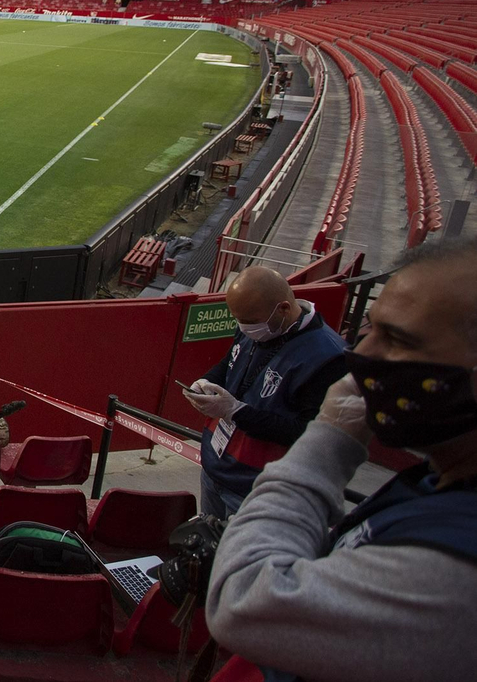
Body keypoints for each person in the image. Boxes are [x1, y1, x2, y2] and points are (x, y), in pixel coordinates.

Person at [204, 238, 477, 682]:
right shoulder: (440, 482)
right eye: (371, 328)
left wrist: (329, 438)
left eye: (398, 339)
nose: (361, 355)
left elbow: (245, 601)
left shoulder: (457, 569)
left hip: (249, 481)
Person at [184, 264, 348, 518]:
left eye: (249, 322)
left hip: (257, 490)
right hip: (215, 469)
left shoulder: (329, 357)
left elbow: (309, 433)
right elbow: (230, 362)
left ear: (283, 309)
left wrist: (236, 412)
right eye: (238, 320)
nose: (243, 327)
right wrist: (205, 382)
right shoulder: (258, 323)